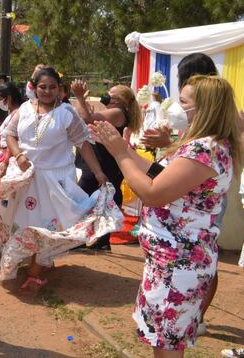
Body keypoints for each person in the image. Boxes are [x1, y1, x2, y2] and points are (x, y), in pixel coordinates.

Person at [89, 75, 242, 358]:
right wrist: (129, 153)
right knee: (164, 343)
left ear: (205, 109)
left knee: (167, 347)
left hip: (178, 264)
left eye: (183, 102)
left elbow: (153, 192)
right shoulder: (206, 143)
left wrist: (120, 153)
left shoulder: (204, 149)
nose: (176, 107)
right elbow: (161, 175)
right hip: (173, 262)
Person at [0, 67, 117, 294]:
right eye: (43, 87)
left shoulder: (66, 113)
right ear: (34, 87)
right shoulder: (23, 109)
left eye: (53, 87)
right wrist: (19, 155)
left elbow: (83, 143)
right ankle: (38, 260)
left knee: (47, 225)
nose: (48, 91)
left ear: (60, 89)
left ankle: (35, 273)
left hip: (56, 180)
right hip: (26, 178)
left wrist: (98, 172)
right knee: (23, 220)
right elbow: (9, 134)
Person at [71, 81, 143, 250]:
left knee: (83, 198)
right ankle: (100, 240)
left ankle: (81, 238)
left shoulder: (118, 112)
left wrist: (80, 97)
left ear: (121, 101)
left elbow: (86, 119)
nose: (107, 96)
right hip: (105, 160)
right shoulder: (116, 112)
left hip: (104, 162)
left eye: (112, 95)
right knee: (103, 198)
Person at [0, 83, 24, 176]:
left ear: (9, 98)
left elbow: (12, 139)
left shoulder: (17, 114)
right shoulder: (11, 113)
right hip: (3, 155)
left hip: (9, 158)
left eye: (0, 100)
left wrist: (5, 162)